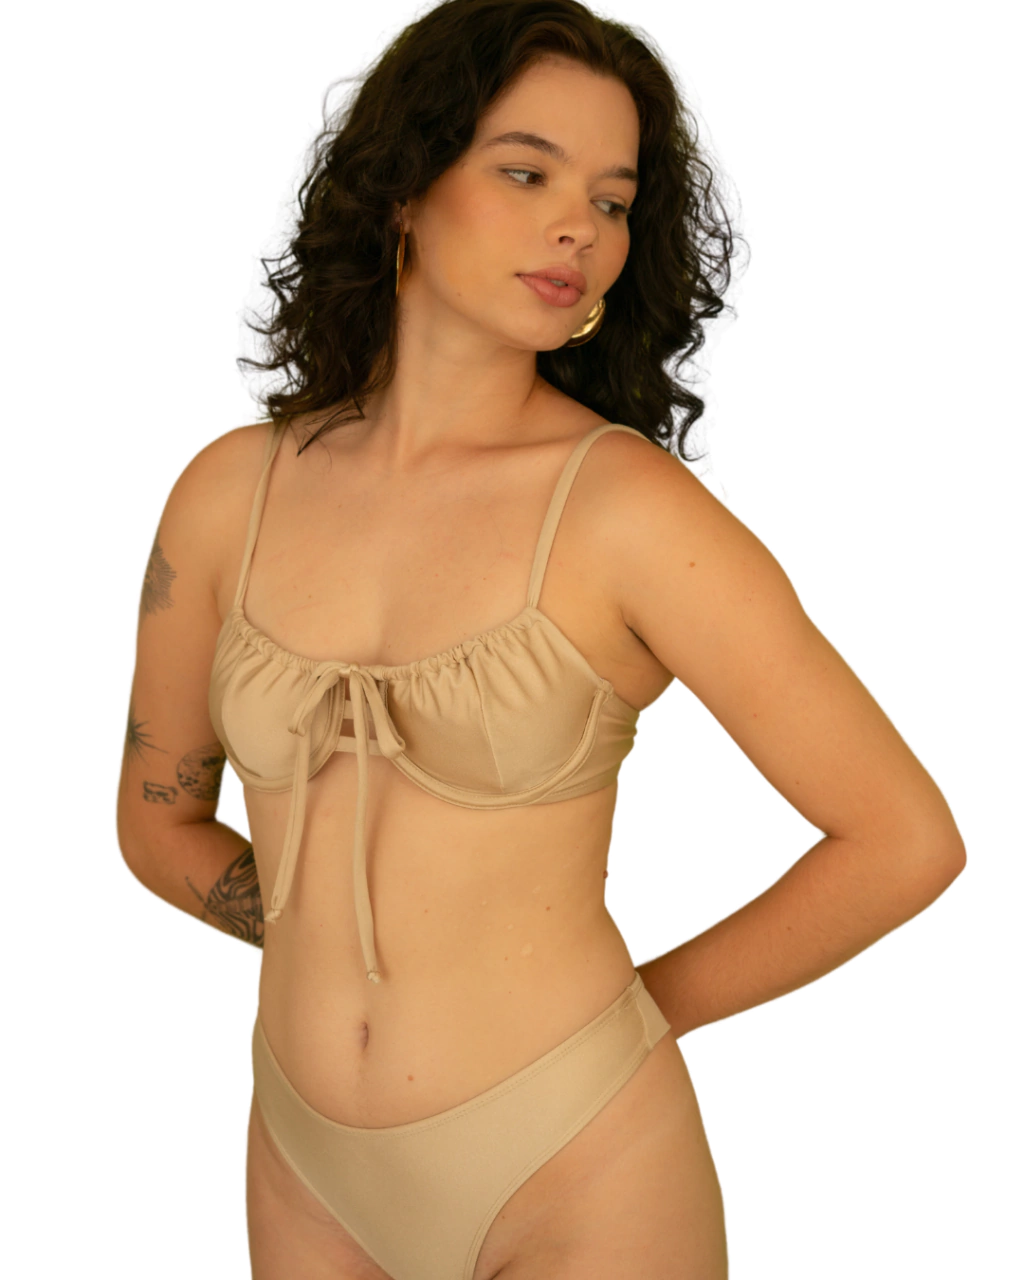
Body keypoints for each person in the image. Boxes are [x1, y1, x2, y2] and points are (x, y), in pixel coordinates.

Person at [116, 2, 966, 1276]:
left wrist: (634, 1017)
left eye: (612, 200)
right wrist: (317, 941)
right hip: (305, 1160)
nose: (580, 225)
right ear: (404, 188)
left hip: (576, 1151)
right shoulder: (228, 494)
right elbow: (157, 825)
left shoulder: (626, 512)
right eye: (527, 173)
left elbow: (901, 839)